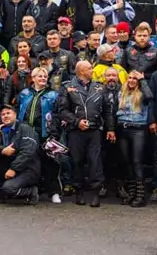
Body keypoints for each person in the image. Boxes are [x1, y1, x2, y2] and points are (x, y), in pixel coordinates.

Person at [55, 60, 110, 207]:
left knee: (95, 161)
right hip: (76, 131)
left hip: (95, 130)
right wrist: (77, 121)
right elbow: (62, 110)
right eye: (90, 68)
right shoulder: (68, 87)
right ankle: (78, 191)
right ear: (81, 71)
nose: (93, 70)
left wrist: (110, 129)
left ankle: (96, 192)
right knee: (77, 161)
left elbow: (107, 110)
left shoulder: (99, 87)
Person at [0, 104, 41, 204]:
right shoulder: (1, 131)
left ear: (15, 115)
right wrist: (3, 150)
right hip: (9, 165)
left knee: (9, 189)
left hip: (28, 168)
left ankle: (31, 191)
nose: (5, 116)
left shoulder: (25, 128)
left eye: (8, 113)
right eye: (3, 114)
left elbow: (28, 151)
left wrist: (13, 169)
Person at [16, 67, 60, 202]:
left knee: (49, 161)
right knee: (28, 161)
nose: (42, 79)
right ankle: (30, 190)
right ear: (33, 78)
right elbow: (19, 110)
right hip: (27, 131)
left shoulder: (53, 94)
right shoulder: (24, 93)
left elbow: (56, 115)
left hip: (44, 131)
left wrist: (53, 132)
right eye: (39, 76)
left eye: (44, 76)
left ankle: (54, 192)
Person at [114, 68, 153, 206]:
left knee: (137, 162)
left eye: (134, 79)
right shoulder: (121, 93)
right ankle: (131, 192)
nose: (131, 80)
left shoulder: (142, 93)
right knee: (126, 162)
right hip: (123, 128)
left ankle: (141, 195)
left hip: (138, 129)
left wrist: (142, 80)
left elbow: (150, 97)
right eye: (130, 78)